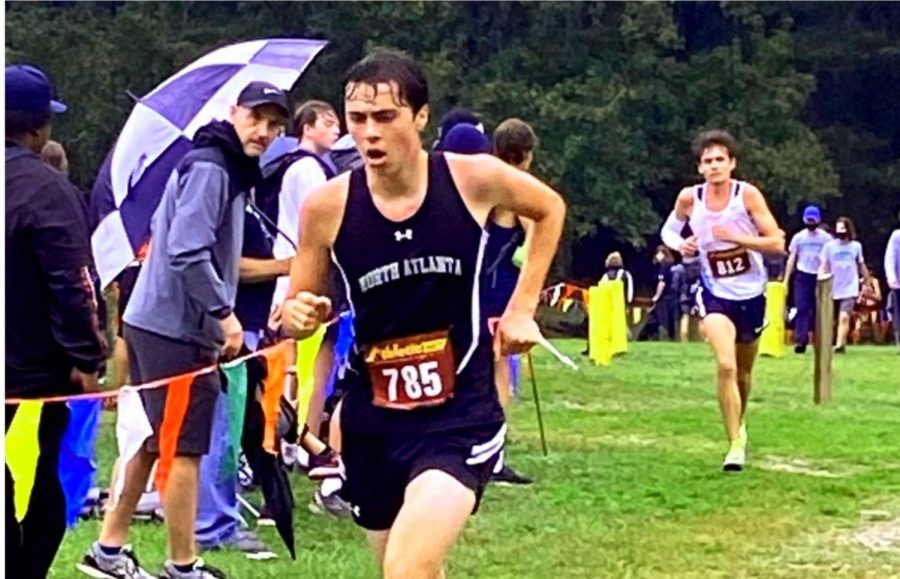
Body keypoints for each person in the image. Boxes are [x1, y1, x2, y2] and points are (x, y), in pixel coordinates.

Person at [280, 50, 566, 578]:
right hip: (372, 419)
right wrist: (299, 314)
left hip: (458, 412)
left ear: (420, 117)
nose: (370, 134)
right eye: (358, 120)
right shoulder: (326, 206)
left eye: (385, 117)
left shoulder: (473, 178)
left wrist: (522, 308)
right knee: (409, 567)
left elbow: (549, 209)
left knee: (405, 570)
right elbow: (299, 306)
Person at [79, 81, 289, 579]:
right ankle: (182, 564)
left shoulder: (222, 165)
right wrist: (225, 314)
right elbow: (188, 251)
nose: (264, 131)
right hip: (176, 328)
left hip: (156, 321)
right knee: (185, 448)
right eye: (256, 118)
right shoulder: (213, 168)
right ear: (233, 113)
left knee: (156, 440)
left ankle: (108, 549)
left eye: (275, 124)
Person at [6, 63, 107, 579]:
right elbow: (76, 284)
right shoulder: (46, 190)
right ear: (40, 127)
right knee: (35, 495)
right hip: (27, 381)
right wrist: (88, 357)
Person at [660, 129, 785, 472]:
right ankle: (734, 445)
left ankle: (739, 423)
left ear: (732, 164)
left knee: (743, 372)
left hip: (752, 295)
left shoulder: (747, 197)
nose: (714, 166)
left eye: (720, 160)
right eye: (707, 161)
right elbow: (669, 230)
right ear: (700, 168)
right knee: (726, 365)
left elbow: (776, 242)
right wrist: (679, 245)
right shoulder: (690, 198)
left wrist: (740, 239)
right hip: (715, 294)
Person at [784, 205, 832, 354]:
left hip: (820, 277)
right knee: (802, 308)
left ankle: (821, 340)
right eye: (808, 220)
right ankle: (801, 341)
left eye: (813, 220)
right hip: (802, 276)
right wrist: (786, 279)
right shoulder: (799, 237)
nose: (811, 223)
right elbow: (792, 258)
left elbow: (830, 258)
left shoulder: (825, 238)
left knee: (819, 310)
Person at [818, 216, 870, 354]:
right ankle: (827, 343)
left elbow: (861, 264)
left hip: (850, 286)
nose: (840, 231)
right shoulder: (829, 247)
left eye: (843, 228)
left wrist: (867, 281)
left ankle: (840, 344)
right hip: (832, 286)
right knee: (830, 319)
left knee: (844, 316)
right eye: (838, 228)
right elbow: (823, 265)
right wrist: (821, 279)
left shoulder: (856, 246)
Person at [638, 246, 679, 341]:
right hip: (670, 297)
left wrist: (656, 296)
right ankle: (665, 337)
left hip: (664, 298)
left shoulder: (664, 268)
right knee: (662, 319)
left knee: (661, 319)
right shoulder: (668, 267)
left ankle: (661, 337)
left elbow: (662, 283)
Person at [885, 211, 900, 352]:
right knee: (898, 314)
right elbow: (890, 257)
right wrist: (891, 276)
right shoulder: (896, 236)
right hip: (899, 284)